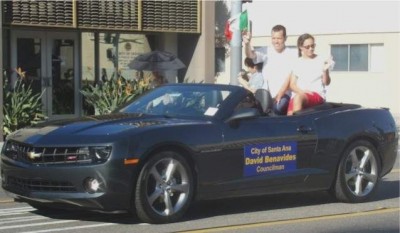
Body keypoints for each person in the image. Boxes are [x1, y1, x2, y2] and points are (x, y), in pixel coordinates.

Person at [243, 25, 297, 115]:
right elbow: (250, 55)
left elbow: (293, 79)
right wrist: (247, 43)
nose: (276, 41)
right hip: (266, 96)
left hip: (285, 95)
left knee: (277, 109)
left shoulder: (293, 54)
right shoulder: (266, 51)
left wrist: (279, 95)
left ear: (285, 38)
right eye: (274, 38)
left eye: (279, 38)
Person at [287, 33, 334, 115]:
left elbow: (326, 83)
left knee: (298, 98)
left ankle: (297, 125)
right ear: (301, 47)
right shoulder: (297, 62)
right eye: (307, 47)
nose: (311, 49)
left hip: (316, 94)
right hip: (300, 94)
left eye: (313, 46)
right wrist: (302, 92)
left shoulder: (321, 59)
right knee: (290, 114)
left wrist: (325, 71)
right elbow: (292, 84)